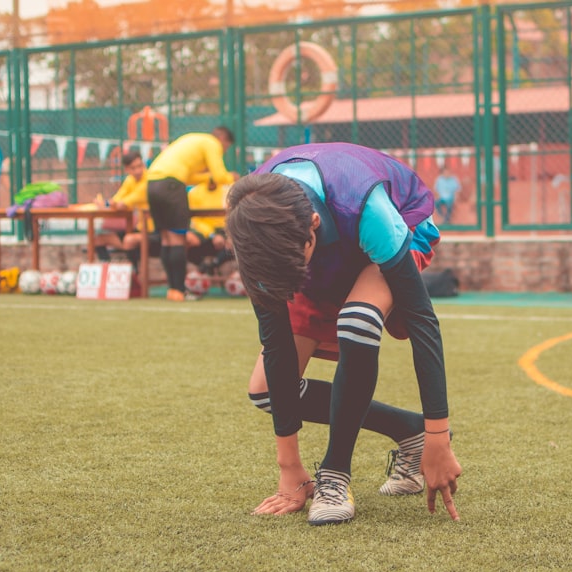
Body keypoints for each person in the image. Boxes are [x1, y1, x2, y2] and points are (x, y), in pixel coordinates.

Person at [226, 142, 462, 526]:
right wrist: (290, 469)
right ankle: (407, 430)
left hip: (398, 224)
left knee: (358, 319)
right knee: (266, 389)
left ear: (313, 227)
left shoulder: (367, 207)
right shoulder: (255, 231)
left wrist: (439, 436)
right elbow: (277, 344)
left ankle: (335, 474)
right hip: (317, 253)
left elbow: (421, 319)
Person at [144, 127, 236, 301]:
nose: (223, 152)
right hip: (171, 186)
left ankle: (173, 290)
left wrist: (208, 178)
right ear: (223, 139)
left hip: (153, 184)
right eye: (226, 148)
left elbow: (190, 178)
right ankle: (180, 290)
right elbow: (219, 175)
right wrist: (233, 178)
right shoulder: (212, 143)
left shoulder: (194, 138)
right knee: (178, 238)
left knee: (166, 238)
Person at [93, 150, 151, 266]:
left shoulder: (149, 181)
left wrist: (107, 205)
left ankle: (135, 274)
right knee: (98, 240)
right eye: (133, 168)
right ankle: (108, 271)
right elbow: (116, 200)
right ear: (127, 170)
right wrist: (105, 204)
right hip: (140, 228)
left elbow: (122, 204)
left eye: (140, 166)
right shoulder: (130, 180)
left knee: (129, 240)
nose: (138, 171)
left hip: (152, 230)